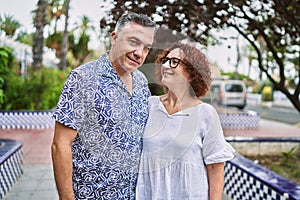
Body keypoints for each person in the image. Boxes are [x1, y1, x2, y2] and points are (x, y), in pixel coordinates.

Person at [51, 12, 156, 199]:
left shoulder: (141, 82)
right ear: (114, 38)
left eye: (146, 48)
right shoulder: (83, 78)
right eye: (133, 42)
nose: (139, 53)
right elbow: (60, 145)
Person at [136, 41, 235, 200]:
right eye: (165, 60)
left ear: (192, 72)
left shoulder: (205, 114)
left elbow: (216, 167)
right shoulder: (149, 105)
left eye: (174, 62)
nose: (166, 66)